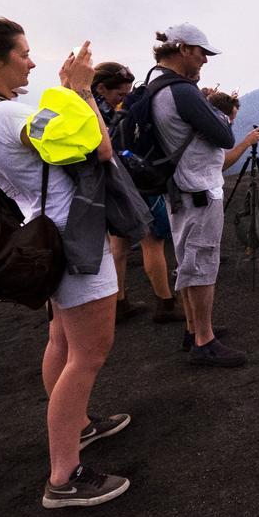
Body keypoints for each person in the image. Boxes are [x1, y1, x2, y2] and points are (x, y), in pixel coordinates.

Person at [0, 17, 130, 508]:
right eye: (22, 53)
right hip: (73, 236)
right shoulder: (4, 115)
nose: (31, 61)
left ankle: (79, 428)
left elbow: (58, 143)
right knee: (89, 354)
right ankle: (64, 476)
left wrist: (66, 92)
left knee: (62, 339)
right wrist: (81, 93)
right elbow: (97, 146)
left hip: (49, 232)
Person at [151, 23, 259, 366]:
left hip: (178, 188)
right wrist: (214, 111)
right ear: (183, 48)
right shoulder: (182, 91)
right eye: (202, 53)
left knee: (188, 262)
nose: (204, 61)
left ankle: (192, 329)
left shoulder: (155, 83)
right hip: (197, 190)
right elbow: (224, 136)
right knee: (201, 266)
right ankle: (204, 341)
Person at [91, 61, 184, 325]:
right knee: (152, 241)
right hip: (133, 183)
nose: (123, 99)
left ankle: (119, 303)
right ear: (101, 88)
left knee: (119, 244)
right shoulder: (103, 113)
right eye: (120, 94)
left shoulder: (88, 108)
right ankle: (165, 303)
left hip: (108, 185)